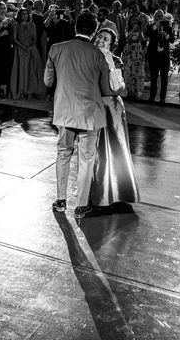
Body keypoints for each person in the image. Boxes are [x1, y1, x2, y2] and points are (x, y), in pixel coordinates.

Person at [44, 12, 115, 219]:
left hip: (65, 111)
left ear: (76, 26)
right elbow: (106, 90)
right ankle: (81, 205)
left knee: (63, 153)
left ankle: (60, 200)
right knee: (86, 158)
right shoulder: (97, 54)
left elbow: (48, 82)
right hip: (90, 114)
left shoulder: (56, 49)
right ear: (93, 31)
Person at [90, 27, 140, 207]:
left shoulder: (116, 60)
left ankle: (121, 190)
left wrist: (109, 66)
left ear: (112, 44)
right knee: (95, 150)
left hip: (113, 109)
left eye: (106, 39)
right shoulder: (88, 57)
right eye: (100, 36)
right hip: (94, 107)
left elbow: (118, 88)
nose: (101, 40)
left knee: (117, 148)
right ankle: (98, 192)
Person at [9, 7, 44, 99]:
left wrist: (30, 47)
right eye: (23, 14)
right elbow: (15, 39)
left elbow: (35, 38)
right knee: (21, 70)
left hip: (32, 49)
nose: (25, 16)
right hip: (20, 49)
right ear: (20, 15)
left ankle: (32, 91)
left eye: (26, 14)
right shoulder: (16, 25)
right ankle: (21, 90)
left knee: (33, 69)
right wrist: (23, 47)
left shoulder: (32, 25)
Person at [146, 10, 175, 103]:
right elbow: (147, 34)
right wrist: (156, 26)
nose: (159, 18)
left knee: (164, 78)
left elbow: (172, 40)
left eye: (161, 16)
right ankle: (152, 96)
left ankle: (162, 97)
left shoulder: (168, 27)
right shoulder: (151, 26)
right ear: (154, 17)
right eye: (157, 16)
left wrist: (166, 35)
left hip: (164, 56)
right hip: (154, 55)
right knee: (153, 78)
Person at [0, 2, 15, 100]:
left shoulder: (10, 20)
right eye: (1, 8)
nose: (3, 10)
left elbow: (12, 33)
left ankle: (5, 90)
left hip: (7, 46)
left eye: (4, 8)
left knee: (7, 66)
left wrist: (10, 25)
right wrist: (2, 24)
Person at [121, 16, 146, 99]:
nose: (134, 22)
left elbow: (142, 40)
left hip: (137, 51)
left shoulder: (140, 31)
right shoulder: (128, 30)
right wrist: (132, 30)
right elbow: (127, 38)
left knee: (136, 71)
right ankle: (129, 90)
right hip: (129, 51)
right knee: (129, 70)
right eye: (132, 21)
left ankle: (135, 90)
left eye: (135, 21)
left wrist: (139, 30)